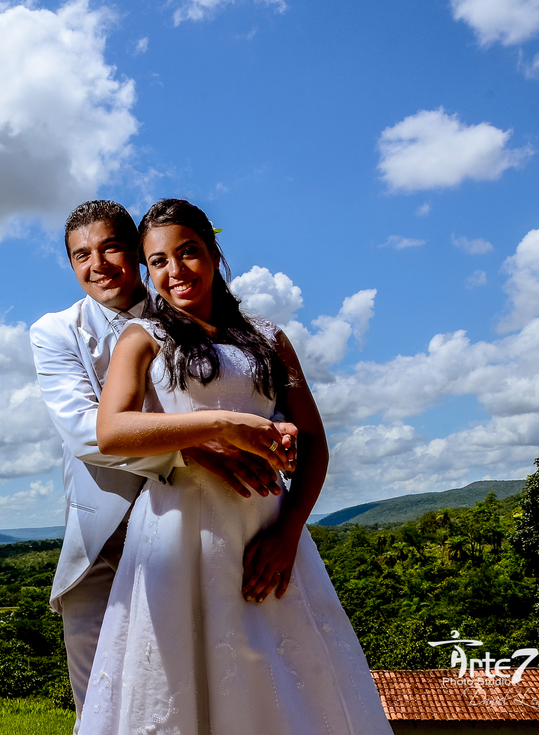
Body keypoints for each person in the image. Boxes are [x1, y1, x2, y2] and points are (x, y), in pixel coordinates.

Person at [79, 199, 392, 735]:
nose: (175, 271)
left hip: (264, 532)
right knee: (178, 680)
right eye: (158, 262)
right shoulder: (143, 337)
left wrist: (290, 532)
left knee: (281, 675)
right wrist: (221, 425)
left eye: (189, 252)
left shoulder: (269, 338)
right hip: (178, 533)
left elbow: (314, 444)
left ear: (215, 252)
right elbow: (112, 430)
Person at [30, 200, 288, 720]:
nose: (97, 264)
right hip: (101, 537)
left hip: (205, 528)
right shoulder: (55, 331)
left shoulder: (186, 311)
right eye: (81, 255)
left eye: (111, 248)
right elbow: (87, 432)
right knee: (103, 706)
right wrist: (189, 449)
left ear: (139, 253)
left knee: (205, 692)